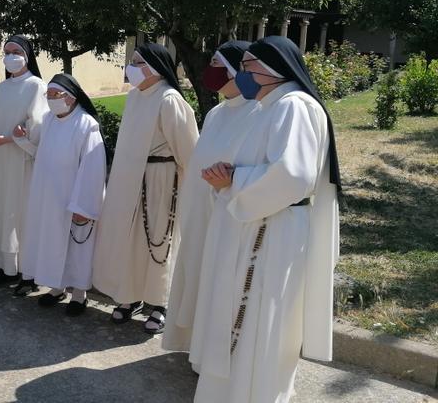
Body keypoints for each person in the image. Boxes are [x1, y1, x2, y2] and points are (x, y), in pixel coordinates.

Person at [190, 36, 341, 403]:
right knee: (241, 318)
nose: (241, 75)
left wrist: (236, 180)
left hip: (273, 229)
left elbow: (294, 175)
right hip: (256, 222)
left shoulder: (294, 105)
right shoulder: (268, 107)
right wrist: (228, 176)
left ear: (272, 69)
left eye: (247, 66)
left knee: (261, 320)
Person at [92, 43, 199, 333]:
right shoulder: (135, 97)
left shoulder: (169, 99)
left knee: (157, 240)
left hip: (158, 180)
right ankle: (129, 296)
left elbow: (188, 152)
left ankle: (160, 303)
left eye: (138, 62)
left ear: (154, 67)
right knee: (129, 241)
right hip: (128, 180)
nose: (132, 68)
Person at [162, 40, 258, 353]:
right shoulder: (216, 113)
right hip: (198, 212)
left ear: (236, 71)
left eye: (218, 64)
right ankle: (193, 346)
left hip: (227, 211)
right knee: (195, 274)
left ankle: (214, 353)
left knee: (218, 282)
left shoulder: (257, 111)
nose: (210, 70)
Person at [19, 73, 107, 316]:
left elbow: (93, 168)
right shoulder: (49, 120)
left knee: (76, 247)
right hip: (48, 197)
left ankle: (79, 295)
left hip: (73, 199)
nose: (49, 99)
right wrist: (22, 141)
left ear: (69, 98)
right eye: (48, 95)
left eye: (54, 95)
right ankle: (56, 288)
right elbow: (41, 153)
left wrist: (84, 206)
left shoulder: (86, 125)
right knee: (51, 243)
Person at [0, 36, 50, 296]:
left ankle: (27, 271)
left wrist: (14, 138)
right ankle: (2, 265)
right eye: (6, 52)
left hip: (22, 159)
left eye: (16, 51)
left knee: (21, 213)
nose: (11, 56)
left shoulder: (36, 86)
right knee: (0, 210)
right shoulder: (0, 89)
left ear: (28, 55)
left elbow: (39, 128)